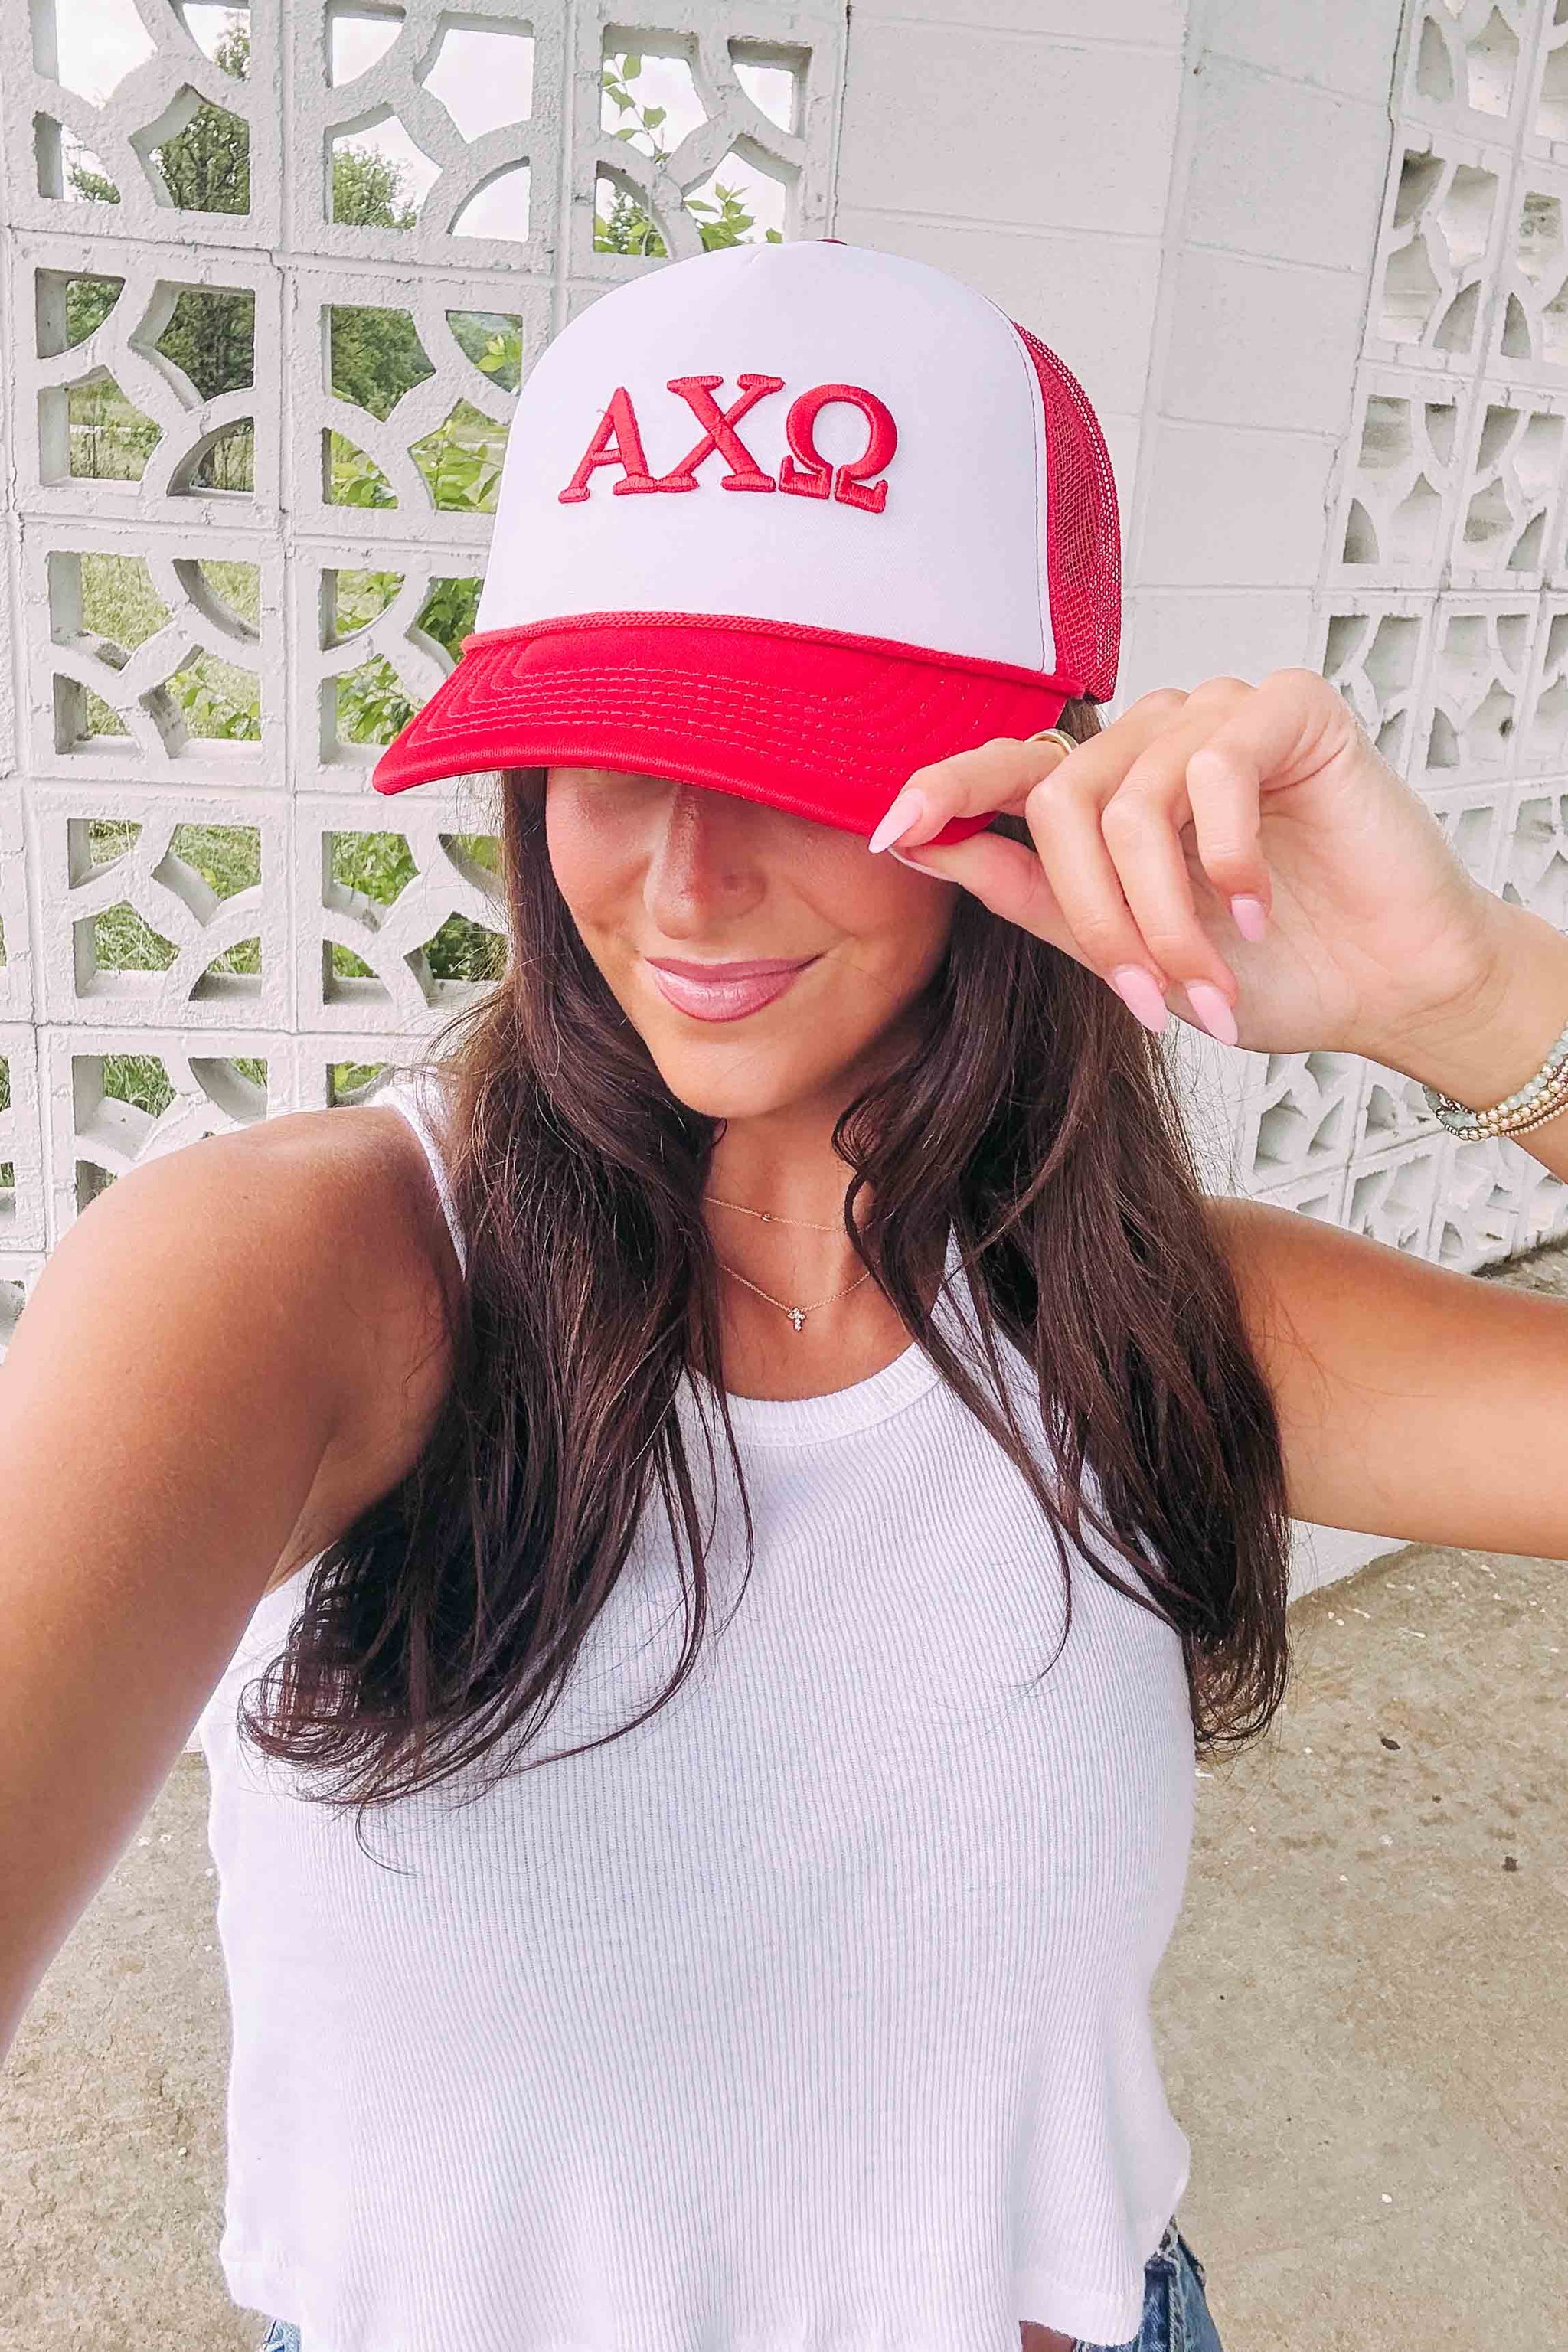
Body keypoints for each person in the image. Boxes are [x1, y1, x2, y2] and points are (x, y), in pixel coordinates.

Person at [4, 237, 1566, 2352]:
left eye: (805, 759)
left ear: (1038, 785)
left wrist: (1462, 995)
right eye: (607, 749)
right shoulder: (306, 1274)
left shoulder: (1148, 1316)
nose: (686, 879)